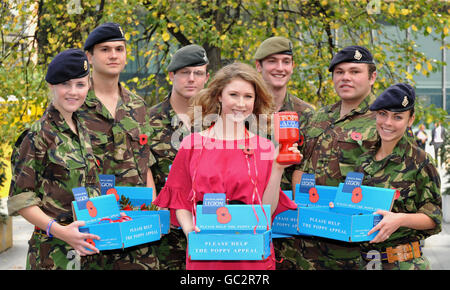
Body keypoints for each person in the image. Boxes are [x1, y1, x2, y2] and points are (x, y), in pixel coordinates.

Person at [152, 62, 299, 270]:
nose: (241, 103)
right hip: (206, 255)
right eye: (234, 95)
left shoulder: (264, 146)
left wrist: (277, 168)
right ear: (219, 95)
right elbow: (180, 202)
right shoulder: (192, 144)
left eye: (248, 96)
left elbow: (267, 211)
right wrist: (190, 231)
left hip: (252, 258)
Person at [281, 45, 380, 270]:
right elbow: (299, 167)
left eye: (355, 72)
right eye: (340, 72)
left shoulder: (384, 120)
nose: (346, 77)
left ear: (372, 77)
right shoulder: (318, 117)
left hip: (354, 245)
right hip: (310, 240)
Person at [8, 49, 102, 269]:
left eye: (80, 84)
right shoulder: (37, 135)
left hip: (88, 250)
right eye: (65, 84)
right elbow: (21, 199)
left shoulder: (83, 129)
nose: (73, 92)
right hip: (52, 254)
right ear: (51, 86)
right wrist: (62, 232)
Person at [79, 22, 158, 269]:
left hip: (135, 228)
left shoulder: (138, 105)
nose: (113, 55)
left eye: (119, 49)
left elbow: (145, 164)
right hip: (92, 227)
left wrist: (152, 209)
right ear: (89, 57)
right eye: (105, 49)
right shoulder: (75, 103)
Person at [356, 83, 442, 270]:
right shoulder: (363, 160)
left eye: (397, 117)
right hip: (365, 263)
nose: (387, 123)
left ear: (410, 120)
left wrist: (400, 219)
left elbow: (434, 219)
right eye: (383, 114)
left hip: (404, 263)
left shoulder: (420, 162)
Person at [148, 44, 209, 269]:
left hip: (208, 231)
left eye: (198, 73)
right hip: (163, 238)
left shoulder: (218, 122)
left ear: (206, 77)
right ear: (172, 75)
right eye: (185, 72)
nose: (191, 79)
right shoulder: (147, 121)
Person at [254, 36, 315, 192]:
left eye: (286, 61)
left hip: (287, 207)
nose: (280, 68)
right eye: (272, 61)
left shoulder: (306, 114)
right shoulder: (244, 109)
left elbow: (306, 169)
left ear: (292, 66)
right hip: (246, 204)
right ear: (259, 66)